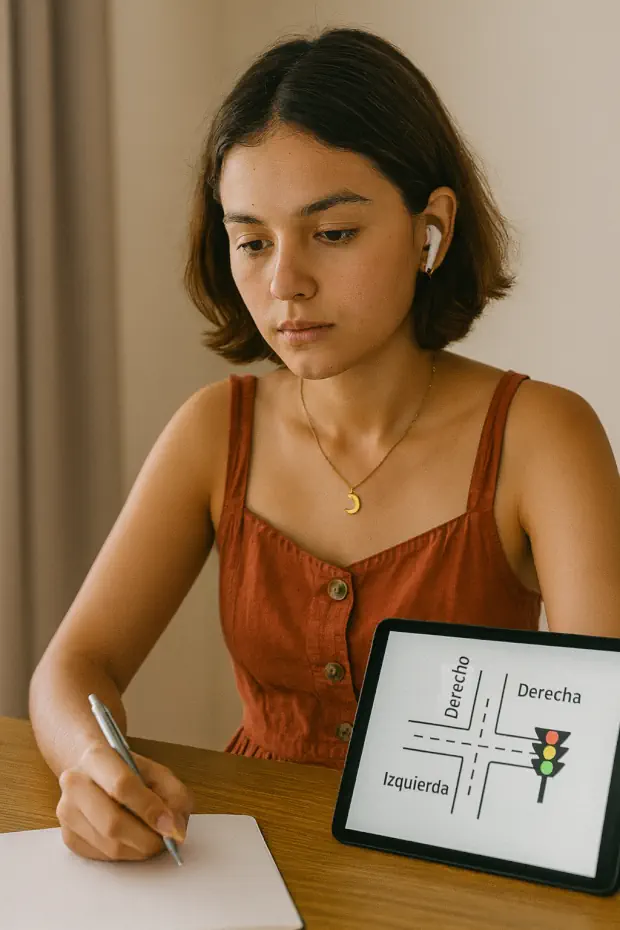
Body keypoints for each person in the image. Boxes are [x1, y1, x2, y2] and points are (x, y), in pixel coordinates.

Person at [29, 26, 620, 864]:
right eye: (253, 240)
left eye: (333, 233)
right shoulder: (214, 429)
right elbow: (71, 669)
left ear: (431, 229)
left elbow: (597, 740)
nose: (285, 284)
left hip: (465, 879)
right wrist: (93, 767)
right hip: (245, 868)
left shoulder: (545, 436)